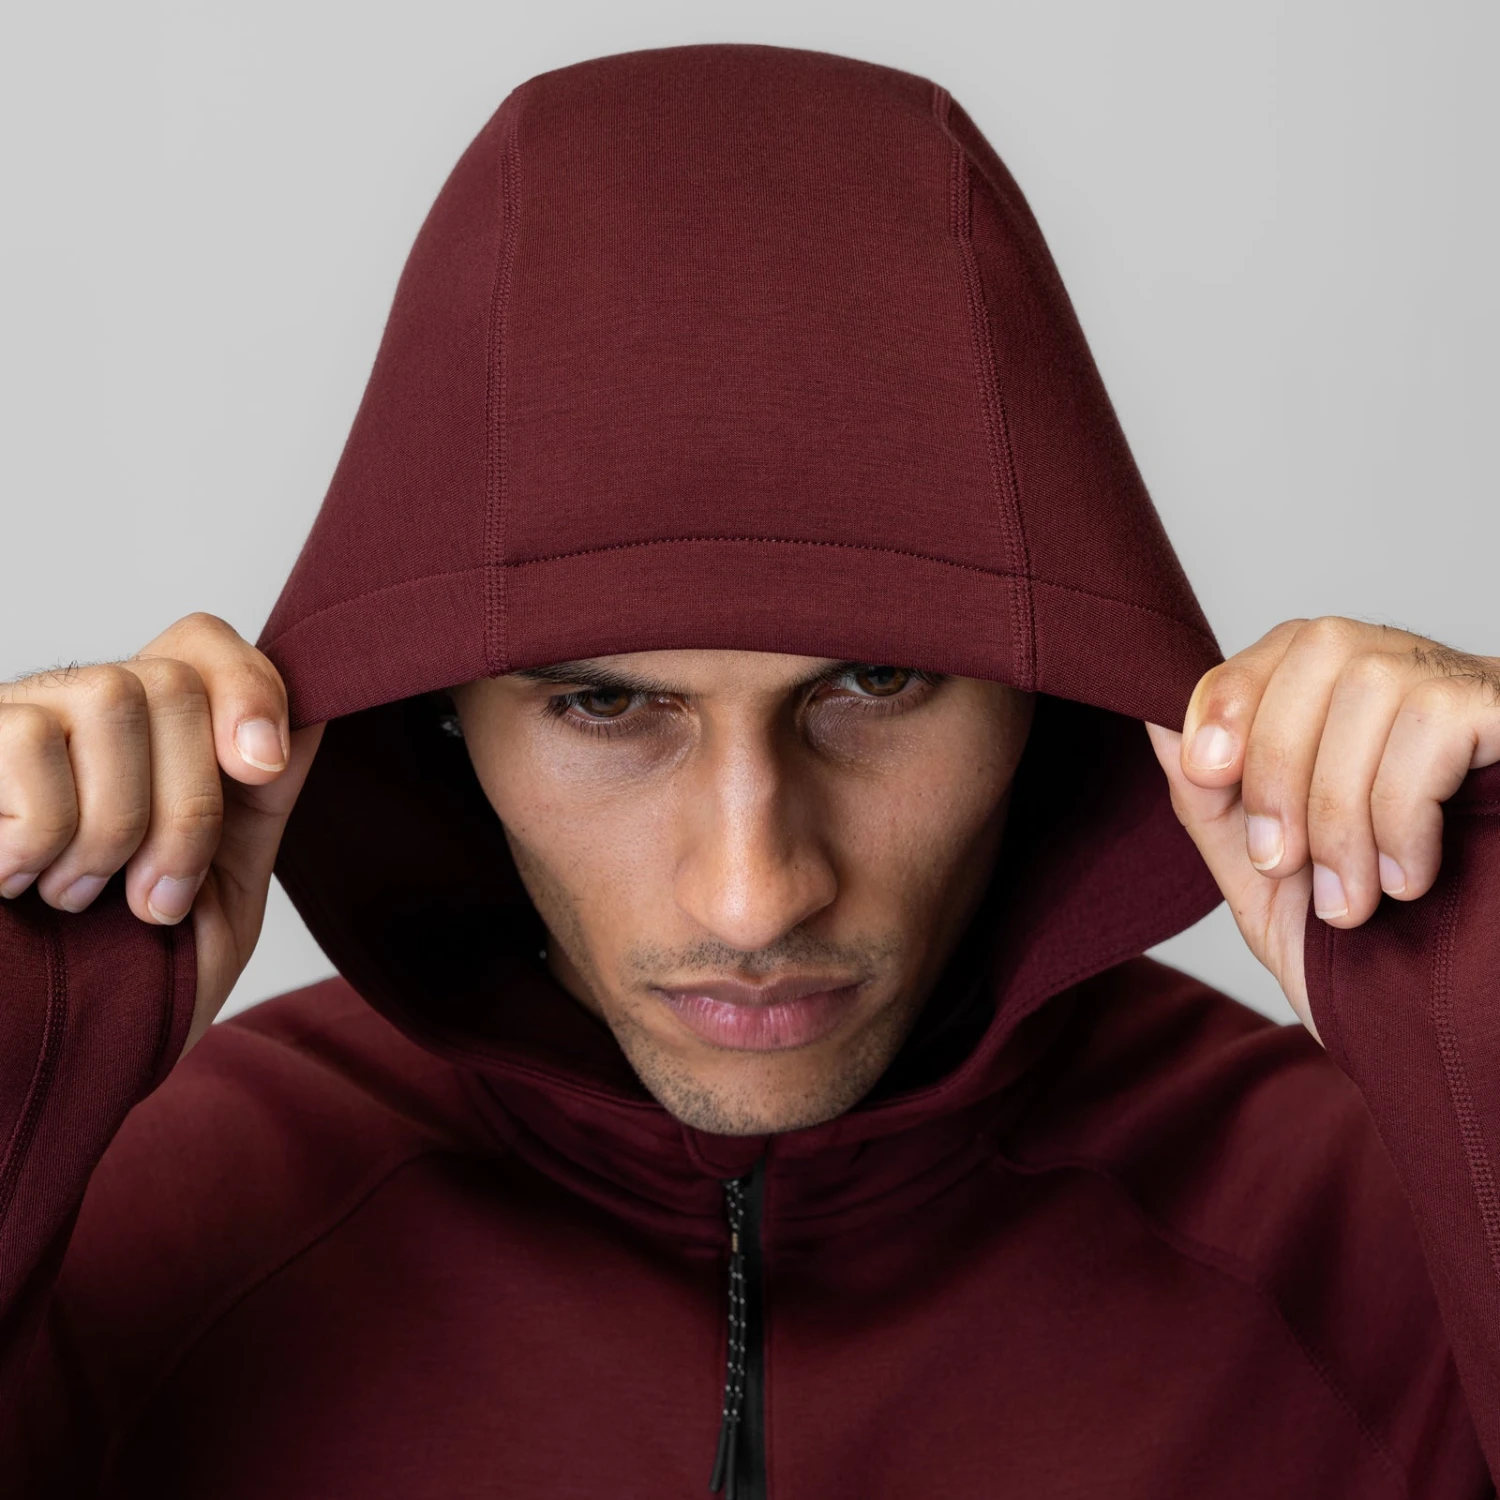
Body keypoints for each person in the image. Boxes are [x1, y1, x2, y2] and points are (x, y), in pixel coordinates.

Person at [1, 42, 1497, 1498]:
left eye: (878, 684)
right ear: (437, 714)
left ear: (1048, 699)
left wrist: (1482, 994)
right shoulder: (147, 1227)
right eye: (604, 705)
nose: (754, 894)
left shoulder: (1382, 1240)